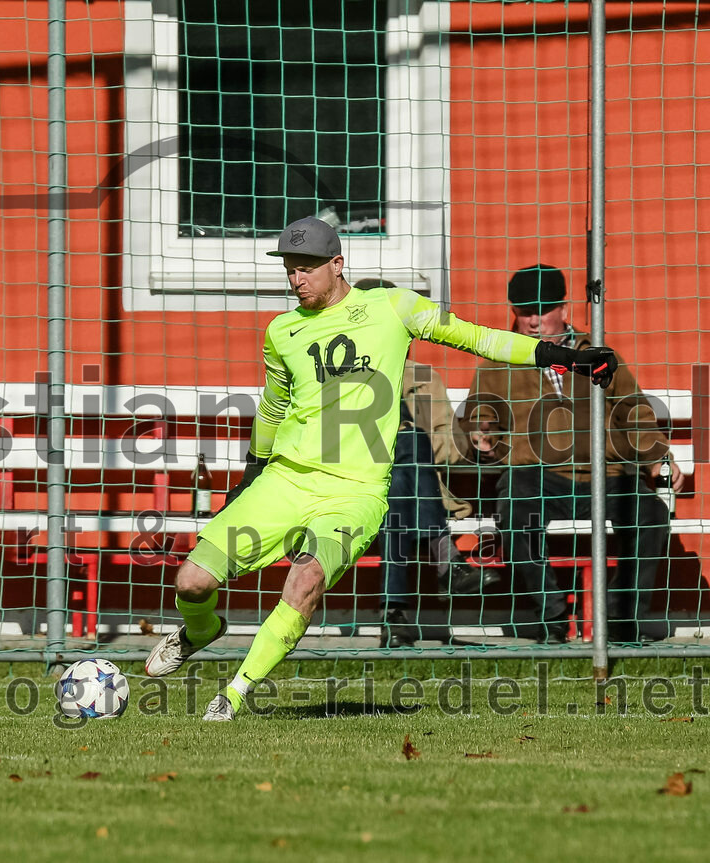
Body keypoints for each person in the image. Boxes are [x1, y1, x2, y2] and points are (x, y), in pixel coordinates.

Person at [145, 220, 617, 721]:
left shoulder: (394, 307)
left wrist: (563, 356)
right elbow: (272, 409)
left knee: (304, 583)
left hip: (355, 492)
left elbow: (476, 338)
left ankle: (233, 696)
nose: (296, 280)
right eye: (289, 270)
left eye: (306, 269)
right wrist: (248, 479)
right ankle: (199, 630)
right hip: (284, 479)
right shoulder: (282, 331)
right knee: (191, 582)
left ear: (337, 265)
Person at [460, 263, 680, 644]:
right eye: (524, 311)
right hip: (535, 475)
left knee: (651, 514)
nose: (532, 321)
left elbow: (635, 411)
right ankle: (552, 617)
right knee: (514, 507)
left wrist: (659, 455)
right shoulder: (497, 362)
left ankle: (620, 620)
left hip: (606, 474)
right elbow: (479, 417)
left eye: (541, 310)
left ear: (563, 309)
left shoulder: (598, 354)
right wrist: (482, 436)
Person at [353, 279, 498, 647]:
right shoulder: (341, 375)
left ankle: (395, 614)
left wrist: (470, 441)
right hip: (352, 483)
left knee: (401, 482)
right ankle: (446, 561)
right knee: (407, 445)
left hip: (405, 491)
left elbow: (446, 447)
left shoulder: (423, 379)